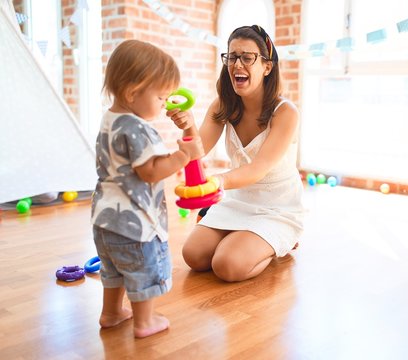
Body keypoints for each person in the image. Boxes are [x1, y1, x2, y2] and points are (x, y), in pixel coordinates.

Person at [167, 25, 304, 282]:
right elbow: (198, 151)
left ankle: (280, 242)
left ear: (267, 66)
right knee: (193, 255)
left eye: (247, 57)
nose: (237, 64)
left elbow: (257, 169)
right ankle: (247, 240)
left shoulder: (286, 113)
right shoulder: (223, 105)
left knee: (227, 265)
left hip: (277, 208)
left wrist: (218, 181)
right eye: (231, 56)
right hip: (238, 202)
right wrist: (187, 125)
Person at [91, 39, 204, 338]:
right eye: (161, 97)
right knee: (144, 268)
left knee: (113, 269)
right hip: (135, 222)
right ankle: (145, 321)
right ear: (132, 92)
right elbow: (149, 171)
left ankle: (112, 312)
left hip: (104, 217)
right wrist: (182, 156)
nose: (166, 103)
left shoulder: (109, 119)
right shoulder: (137, 128)